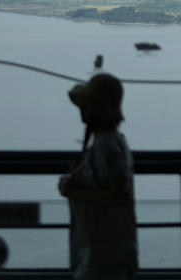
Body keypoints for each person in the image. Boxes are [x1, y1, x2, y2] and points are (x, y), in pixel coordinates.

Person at [59, 72, 138, 280]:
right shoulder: (110, 142)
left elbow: (120, 193)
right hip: (106, 251)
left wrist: (73, 191)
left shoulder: (106, 146)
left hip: (104, 254)